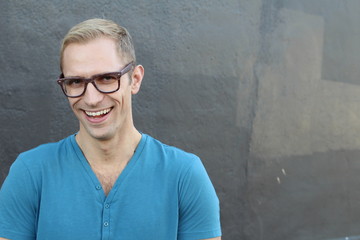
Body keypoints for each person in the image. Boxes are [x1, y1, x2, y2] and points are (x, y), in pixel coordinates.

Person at [0, 18, 221, 240]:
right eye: (76, 82)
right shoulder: (30, 173)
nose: (92, 99)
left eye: (106, 78)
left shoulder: (184, 176)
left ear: (135, 79)